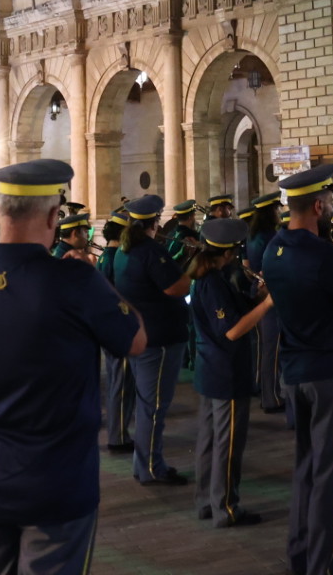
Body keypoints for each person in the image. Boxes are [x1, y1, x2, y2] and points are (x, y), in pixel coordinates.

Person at [0, 158, 144, 573]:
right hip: (56, 483)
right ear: (53, 217)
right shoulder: (75, 281)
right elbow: (136, 340)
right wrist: (98, 283)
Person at [263, 164, 333, 573]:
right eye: (329, 202)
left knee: (306, 467)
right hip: (331, 370)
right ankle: (324, 562)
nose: (331, 208)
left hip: (295, 370)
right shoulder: (322, 254)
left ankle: (301, 554)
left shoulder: (273, 249)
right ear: (318, 206)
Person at [189, 216, 273, 527]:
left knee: (209, 441)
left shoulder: (214, 276)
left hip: (212, 370)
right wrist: (267, 305)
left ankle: (206, 502)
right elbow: (232, 331)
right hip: (226, 372)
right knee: (227, 444)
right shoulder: (213, 283)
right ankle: (225, 507)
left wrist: (256, 295)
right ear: (228, 252)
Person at [112, 193, 191, 485]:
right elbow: (176, 288)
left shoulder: (125, 249)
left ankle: (143, 464)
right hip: (159, 338)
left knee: (148, 404)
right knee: (154, 406)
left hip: (143, 334)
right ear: (154, 222)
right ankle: (151, 468)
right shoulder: (149, 251)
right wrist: (195, 270)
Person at [97, 211, 136, 455]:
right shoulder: (116, 258)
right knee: (121, 385)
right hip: (118, 327)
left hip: (111, 326)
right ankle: (118, 436)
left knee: (117, 382)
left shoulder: (106, 256)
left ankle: (118, 432)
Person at [245, 191, 286, 416]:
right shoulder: (271, 237)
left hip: (257, 290)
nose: (279, 212)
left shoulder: (253, 236)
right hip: (270, 293)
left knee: (265, 346)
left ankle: (263, 388)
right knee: (273, 348)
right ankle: (271, 397)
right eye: (277, 209)